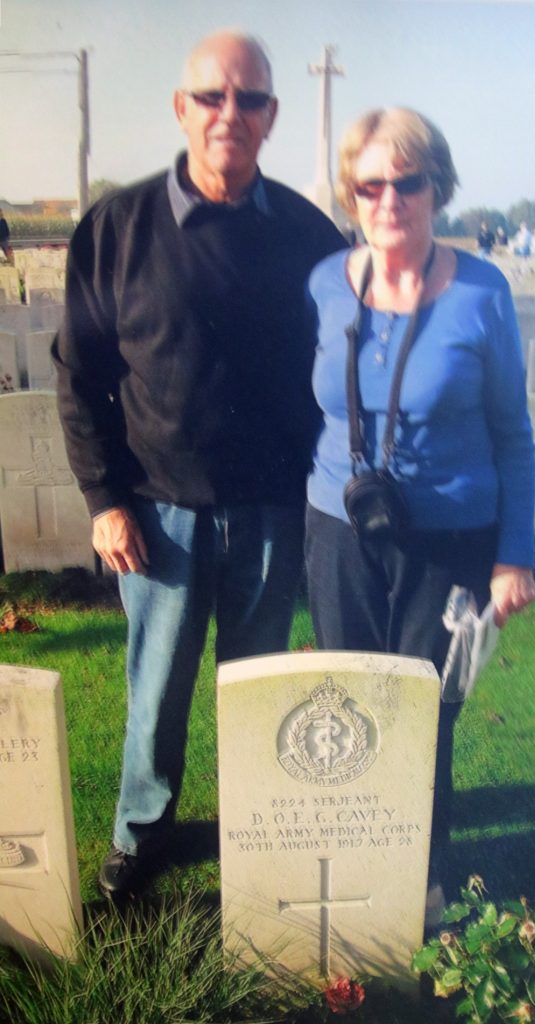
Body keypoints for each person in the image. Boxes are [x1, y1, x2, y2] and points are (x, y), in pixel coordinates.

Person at [53, 30, 346, 898]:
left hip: (271, 508)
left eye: (249, 98)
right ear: (181, 108)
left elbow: (339, 365)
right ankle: (143, 834)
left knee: (256, 692)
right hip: (158, 511)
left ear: (271, 116)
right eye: (212, 97)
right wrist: (105, 499)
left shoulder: (308, 233)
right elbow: (81, 375)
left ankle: (260, 824)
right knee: (156, 689)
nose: (231, 114)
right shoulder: (115, 228)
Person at [304, 108, 535, 919]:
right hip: (339, 532)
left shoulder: (482, 293)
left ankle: (423, 889)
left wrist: (514, 557)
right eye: (370, 184)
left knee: (425, 716)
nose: (389, 199)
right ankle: (357, 877)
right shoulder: (327, 282)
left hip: (451, 542)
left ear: (437, 187)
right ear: (352, 193)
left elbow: (514, 436)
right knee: (352, 708)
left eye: (408, 182)